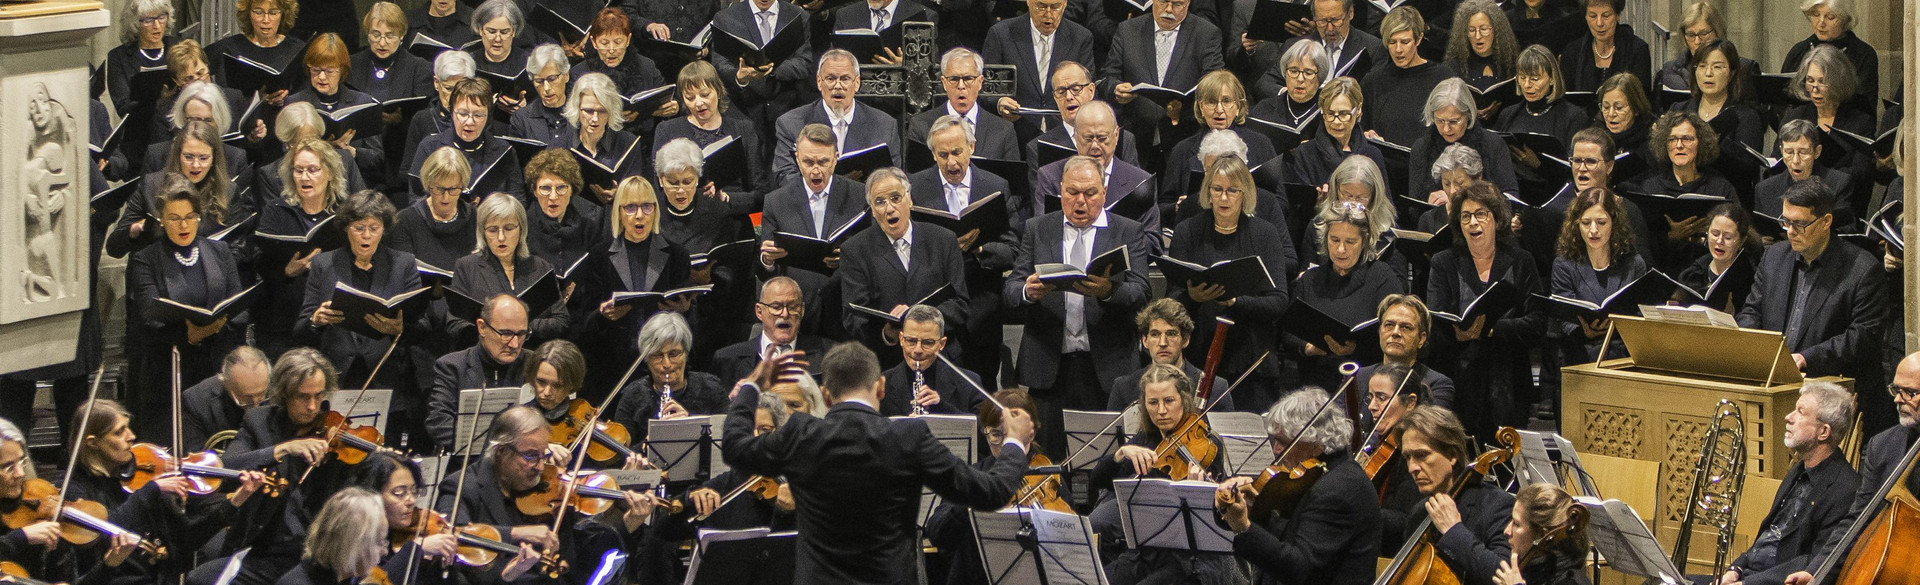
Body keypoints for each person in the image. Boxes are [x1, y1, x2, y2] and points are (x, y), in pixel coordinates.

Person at [720, 343, 1036, 585]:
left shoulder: (799, 433)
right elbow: (991, 492)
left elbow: (734, 447)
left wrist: (752, 385)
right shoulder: (908, 437)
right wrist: (1014, 443)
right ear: (881, 388)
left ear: (826, 396)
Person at [1007, 155, 1152, 454]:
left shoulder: (1128, 230)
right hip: (1049, 367)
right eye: (1072, 192)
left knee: (1106, 459)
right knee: (1048, 459)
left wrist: (1108, 291)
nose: (1080, 201)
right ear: (1060, 190)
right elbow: (1010, 290)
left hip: (1107, 368)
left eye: (1090, 193)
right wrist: (1027, 291)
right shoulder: (1037, 228)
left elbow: (1142, 293)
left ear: (1104, 191)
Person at [435, 404, 655, 585]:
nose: (541, 466)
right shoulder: (462, 486)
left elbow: (582, 547)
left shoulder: (548, 485)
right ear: (501, 452)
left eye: (544, 454)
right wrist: (517, 533)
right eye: (531, 456)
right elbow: (454, 535)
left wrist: (628, 522)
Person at [1736, 180, 1889, 436]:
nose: (1790, 231)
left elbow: (1863, 335)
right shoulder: (1774, 257)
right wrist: (1753, 347)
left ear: (1826, 221)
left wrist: (1806, 358)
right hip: (1776, 391)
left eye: (1800, 224)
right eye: (1786, 222)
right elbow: (1752, 310)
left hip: (1833, 403)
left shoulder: (1862, 269)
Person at [196, 348, 340, 585]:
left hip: (315, 551)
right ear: (284, 394)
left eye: (319, 395)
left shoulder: (333, 432)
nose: (314, 407)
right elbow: (225, 469)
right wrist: (281, 449)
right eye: (304, 397)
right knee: (199, 579)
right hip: (265, 546)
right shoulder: (259, 422)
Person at [1217, 386, 1382, 585]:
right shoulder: (1316, 473)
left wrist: (1244, 526)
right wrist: (1249, 506)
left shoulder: (1339, 490)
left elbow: (1299, 568)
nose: (1276, 450)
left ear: (1316, 445)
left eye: (1283, 442)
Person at [125, 176, 249, 440]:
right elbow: (149, 317)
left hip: (217, 371)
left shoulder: (220, 251)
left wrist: (215, 327)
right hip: (169, 373)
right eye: (174, 218)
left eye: (190, 216)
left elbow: (241, 310)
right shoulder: (145, 259)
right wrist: (188, 336)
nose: (183, 225)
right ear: (160, 219)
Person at [1090, 365, 1235, 584]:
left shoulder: (1207, 442)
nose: (1161, 411)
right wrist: (1120, 454)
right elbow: (1098, 481)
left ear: (1184, 400)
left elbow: (1211, 519)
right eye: (1153, 403)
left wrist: (1195, 492)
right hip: (1146, 552)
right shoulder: (1146, 437)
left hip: (1188, 558)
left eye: (1169, 401)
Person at [1167, 154, 1292, 409]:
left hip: (1252, 359)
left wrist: (1236, 301)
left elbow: (1279, 302)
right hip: (1199, 356)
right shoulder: (1187, 231)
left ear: (1245, 192)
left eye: (1232, 190)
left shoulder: (1265, 233)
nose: (1224, 198)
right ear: (1208, 191)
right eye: (1217, 189)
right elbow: (1171, 300)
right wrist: (1192, 297)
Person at [1787, 352, 1920, 585]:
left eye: (1910, 393)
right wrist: (1818, 570)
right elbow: (1858, 517)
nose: (1898, 399)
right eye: (1896, 389)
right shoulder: (1882, 446)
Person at [1708, 383, 1859, 585]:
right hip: (1749, 576)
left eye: (1800, 412)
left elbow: (1811, 562)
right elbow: (1768, 536)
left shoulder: (1845, 489)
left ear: (1823, 432)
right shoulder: (1798, 469)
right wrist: (1735, 568)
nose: (1789, 417)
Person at [1426, 181, 1542, 440]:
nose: (1473, 223)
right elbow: (1434, 323)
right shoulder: (1443, 262)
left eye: (1481, 214)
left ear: (1497, 220)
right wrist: (1459, 332)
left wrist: (1492, 329)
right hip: (1458, 381)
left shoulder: (1521, 260)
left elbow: (1537, 322)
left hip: (1510, 380)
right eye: (1465, 216)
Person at [909, 115, 1017, 381]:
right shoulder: (916, 187)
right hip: (934, 308)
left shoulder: (995, 186)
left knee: (983, 391)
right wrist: (947, 248)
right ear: (933, 154)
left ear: (972, 146)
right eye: (943, 154)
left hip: (982, 311)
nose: (951, 162)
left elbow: (1013, 247)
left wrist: (978, 250)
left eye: (957, 152)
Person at [295, 188, 425, 401]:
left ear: (384, 229)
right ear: (346, 227)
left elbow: (422, 327)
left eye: (374, 228)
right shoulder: (323, 264)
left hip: (386, 377)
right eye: (359, 228)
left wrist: (399, 329)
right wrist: (316, 320)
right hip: (337, 377)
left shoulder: (403, 264)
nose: (366, 235)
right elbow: (300, 331)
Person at [839, 168, 969, 363]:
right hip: (887, 361)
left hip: (941, 357)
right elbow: (853, 317)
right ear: (873, 211)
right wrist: (888, 333)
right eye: (880, 202)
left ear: (909, 199)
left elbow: (961, 304)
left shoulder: (943, 239)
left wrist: (921, 322)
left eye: (895, 198)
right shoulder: (855, 250)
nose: (889, 208)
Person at [1386, 405, 1513, 581]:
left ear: (1452, 455)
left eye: (1422, 455)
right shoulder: (1420, 512)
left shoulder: (1496, 505)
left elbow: (1503, 575)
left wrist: (1453, 530)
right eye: (1408, 457)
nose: (1412, 468)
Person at [1291, 202, 1405, 388]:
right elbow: (1289, 331)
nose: (1341, 249)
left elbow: (1398, 334)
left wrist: (1356, 348)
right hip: (1314, 382)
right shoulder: (1310, 278)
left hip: (1367, 381)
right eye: (1334, 240)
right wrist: (1306, 347)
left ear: (1365, 241)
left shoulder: (1381, 276)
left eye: (1350, 242)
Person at [1103, 0, 1225, 171]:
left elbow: (1214, 81)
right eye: (1163, 2)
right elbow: (1109, 76)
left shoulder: (1206, 33)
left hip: (1184, 137)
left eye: (1177, 4)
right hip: (1137, 137)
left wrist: (1186, 106)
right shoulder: (1127, 30)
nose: (1168, 9)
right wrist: (1116, 88)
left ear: (1188, 3)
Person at [108, 120, 251, 262]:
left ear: (213, 159)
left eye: (203, 158)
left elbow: (237, 249)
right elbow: (113, 248)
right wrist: (134, 231)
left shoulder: (228, 191)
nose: (196, 165)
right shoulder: (151, 185)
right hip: (156, 271)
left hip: (206, 274)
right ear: (178, 155)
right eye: (188, 157)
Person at [702, 0, 813, 171]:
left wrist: (770, 68)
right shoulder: (726, 18)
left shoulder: (798, 16)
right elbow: (719, 64)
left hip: (787, 106)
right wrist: (740, 76)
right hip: (743, 109)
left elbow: (804, 62)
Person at [1031, 101, 1161, 246]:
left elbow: (1152, 241)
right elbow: (1042, 234)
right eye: (1088, 138)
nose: (1094, 146)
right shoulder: (1051, 176)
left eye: (1101, 138)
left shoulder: (1140, 182)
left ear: (1116, 135)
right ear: (1076, 136)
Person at [651, 61, 769, 210]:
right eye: (690, 98)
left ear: (718, 91)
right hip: (686, 218)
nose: (698, 103)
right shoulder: (667, 130)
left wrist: (727, 198)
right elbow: (658, 188)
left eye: (705, 95)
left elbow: (761, 193)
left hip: (731, 219)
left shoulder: (743, 128)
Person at [451, 193, 568, 343]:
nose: (501, 237)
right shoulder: (466, 267)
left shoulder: (541, 267)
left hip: (531, 358)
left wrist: (520, 329)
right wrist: (496, 333)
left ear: (521, 229)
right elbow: (455, 324)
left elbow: (561, 320)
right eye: (493, 230)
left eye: (509, 228)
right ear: (482, 232)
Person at [771, 50, 900, 184]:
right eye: (831, 79)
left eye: (845, 79)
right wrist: (831, 185)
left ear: (857, 83)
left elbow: (894, 180)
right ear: (819, 82)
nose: (837, 86)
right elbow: (784, 177)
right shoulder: (791, 124)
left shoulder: (884, 125)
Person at [1550, 187, 1646, 363]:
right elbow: (1562, 315)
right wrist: (1582, 331)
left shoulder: (1633, 263)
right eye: (1586, 223)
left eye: (1601, 222)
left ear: (1614, 223)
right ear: (1576, 224)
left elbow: (1640, 315)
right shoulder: (1564, 264)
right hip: (1578, 353)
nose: (1593, 230)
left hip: (1622, 354)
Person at [674, 393, 795, 531]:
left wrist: (787, 513)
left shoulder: (795, 482)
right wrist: (688, 499)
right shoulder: (722, 487)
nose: (755, 436)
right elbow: (664, 531)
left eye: (765, 430)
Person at [426, 294, 530, 450]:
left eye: (521, 334)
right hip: (466, 466)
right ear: (482, 327)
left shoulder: (535, 365)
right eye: (506, 334)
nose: (514, 344)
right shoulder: (452, 366)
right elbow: (438, 422)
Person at [984, 0, 1096, 141]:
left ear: (1065, 4)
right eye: (1041, 6)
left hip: (1064, 137)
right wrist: (999, 102)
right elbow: (985, 89)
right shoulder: (1001, 34)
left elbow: (1088, 90)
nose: (1048, 14)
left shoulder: (1081, 37)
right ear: (1029, 2)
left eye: (1055, 7)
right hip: (1015, 135)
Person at [351, 2, 434, 191]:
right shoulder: (352, 64)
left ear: (402, 35)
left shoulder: (418, 67)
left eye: (390, 35)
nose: (382, 42)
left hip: (399, 156)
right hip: (359, 163)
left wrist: (401, 119)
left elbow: (424, 118)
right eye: (376, 34)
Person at [1020, 61, 1144, 188]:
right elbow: (1041, 203)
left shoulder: (1124, 140)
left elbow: (1134, 189)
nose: (1069, 97)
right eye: (1061, 91)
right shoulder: (1037, 148)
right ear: (1055, 97)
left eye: (1076, 89)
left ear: (1091, 90)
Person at [287, 33, 385, 186]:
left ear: (342, 70)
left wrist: (351, 152)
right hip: (306, 184)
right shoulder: (295, 103)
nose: (321, 77)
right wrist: (323, 147)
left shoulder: (363, 102)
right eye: (315, 70)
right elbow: (285, 154)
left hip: (352, 185)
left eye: (329, 71)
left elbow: (377, 158)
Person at [1408, 78, 1521, 211]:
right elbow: (1413, 207)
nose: (1446, 129)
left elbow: (1510, 197)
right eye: (1440, 121)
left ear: (1468, 115)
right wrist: (1429, 201)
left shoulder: (1492, 144)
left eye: (1453, 121)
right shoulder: (1422, 148)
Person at [406, 78, 525, 199]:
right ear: (452, 112)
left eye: (478, 115)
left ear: (488, 116)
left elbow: (517, 200)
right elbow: (416, 199)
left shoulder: (504, 151)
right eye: (463, 114)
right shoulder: (429, 147)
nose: (470, 121)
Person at [612, 313, 728, 435]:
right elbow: (622, 450)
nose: (666, 364)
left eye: (673, 354)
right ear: (646, 359)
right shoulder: (632, 396)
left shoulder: (712, 390)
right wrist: (649, 443)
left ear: (686, 354)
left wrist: (690, 425)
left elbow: (727, 442)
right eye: (657, 355)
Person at [1243, 0, 1385, 98]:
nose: (1329, 28)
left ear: (1351, 13)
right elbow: (1264, 84)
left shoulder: (1373, 48)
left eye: (1335, 20)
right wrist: (1291, 93)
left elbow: (1374, 95)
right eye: (1322, 21)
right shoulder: (1295, 45)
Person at [1107, 298, 1231, 410]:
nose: (1163, 343)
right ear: (1145, 341)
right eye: (1155, 334)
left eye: (1171, 334)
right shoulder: (1123, 388)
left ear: (1186, 340)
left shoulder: (1217, 388)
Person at [1493, 45, 1589, 189]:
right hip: (1513, 192)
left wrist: (1539, 165)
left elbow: (1577, 170)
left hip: (1555, 193)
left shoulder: (1573, 116)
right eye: (1522, 77)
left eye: (1535, 79)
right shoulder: (1508, 114)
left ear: (1551, 79)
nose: (1527, 85)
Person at [1359, 7, 1455, 148]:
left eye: (1405, 42)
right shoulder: (1372, 82)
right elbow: (1361, 127)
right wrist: (1367, 135)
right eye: (1392, 42)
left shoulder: (1443, 77)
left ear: (1418, 39)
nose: (1398, 49)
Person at [706, 277, 833, 383]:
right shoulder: (728, 359)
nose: (785, 314)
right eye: (776, 307)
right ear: (759, 311)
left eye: (793, 307)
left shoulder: (829, 355)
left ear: (802, 310)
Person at [908, 48, 1020, 162]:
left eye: (968, 79)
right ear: (944, 83)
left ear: (980, 82)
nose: (961, 86)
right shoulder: (921, 126)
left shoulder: (1004, 130)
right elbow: (916, 177)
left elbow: (1011, 177)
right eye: (954, 79)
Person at [1282, 77, 1386, 198]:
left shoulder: (1373, 154)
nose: (1336, 122)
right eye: (1330, 114)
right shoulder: (1305, 154)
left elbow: (1385, 207)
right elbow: (1297, 208)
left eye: (1343, 114)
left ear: (1358, 110)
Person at [1363, 361, 1428, 552]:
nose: (1372, 407)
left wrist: (1357, 511)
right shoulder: (1377, 441)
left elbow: (1406, 520)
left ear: (1410, 403)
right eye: (1371, 397)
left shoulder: (1419, 451)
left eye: (1381, 398)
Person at [876, 305, 986, 417]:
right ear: (901, 339)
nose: (917, 350)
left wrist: (942, 408)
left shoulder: (969, 383)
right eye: (911, 341)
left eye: (927, 342)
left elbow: (986, 428)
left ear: (941, 344)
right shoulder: (881, 384)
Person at [570, 9, 672, 124]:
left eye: (618, 42)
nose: (612, 50)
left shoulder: (646, 66)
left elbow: (665, 97)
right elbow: (571, 116)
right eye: (604, 43)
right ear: (594, 42)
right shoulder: (578, 73)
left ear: (628, 40)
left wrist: (672, 107)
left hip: (642, 136)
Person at [1356, 294, 1457, 411]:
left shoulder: (1438, 385)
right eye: (1389, 325)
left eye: (1406, 327)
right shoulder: (1358, 378)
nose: (1395, 332)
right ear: (1379, 332)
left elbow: (1427, 428)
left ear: (1422, 339)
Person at [254, 104, 371, 201]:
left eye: (313, 141)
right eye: (297, 144)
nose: (307, 149)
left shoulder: (344, 159)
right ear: (286, 142)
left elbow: (363, 206)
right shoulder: (269, 175)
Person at [524, 148, 607, 286]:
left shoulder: (589, 227)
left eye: (561, 188)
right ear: (534, 191)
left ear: (572, 190)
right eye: (545, 188)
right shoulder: (523, 228)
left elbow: (597, 280)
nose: (553, 196)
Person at [1778, 0, 1878, 114]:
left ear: (1845, 20)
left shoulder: (1863, 54)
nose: (1821, 23)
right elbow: (1781, 101)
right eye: (1816, 15)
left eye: (1830, 17)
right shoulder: (1799, 51)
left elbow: (1866, 109)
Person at [206, 0, 307, 109]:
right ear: (248, 14)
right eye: (259, 12)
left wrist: (287, 98)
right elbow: (195, 66)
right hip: (239, 119)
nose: (266, 20)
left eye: (273, 13)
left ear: (283, 15)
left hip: (287, 118)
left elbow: (308, 92)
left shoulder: (297, 48)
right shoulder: (228, 48)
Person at [388, 147, 474, 274]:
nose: (446, 197)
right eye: (439, 189)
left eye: (453, 189)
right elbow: (402, 274)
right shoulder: (405, 221)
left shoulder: (475, 218)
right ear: (428, 184)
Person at [1671, 40, 1765, 157]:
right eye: (1702, 66)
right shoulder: (1679, 110)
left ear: (1731, 74)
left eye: (1717, 67)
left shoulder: (1746, 117)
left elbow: (1748, 167)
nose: (1708, 73)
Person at [1757, 121, 1857, 229]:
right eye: (1789, 152)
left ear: (1817, 152)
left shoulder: (1839, 183)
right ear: (1781, 151)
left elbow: (1845, 231)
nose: (1795, 160)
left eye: (1803, 153)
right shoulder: (1764, 189)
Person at [399, 51, 482, 175]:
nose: (455, 95)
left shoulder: (480, 117)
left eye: (461, 88)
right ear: (436, 83)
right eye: (449, 88)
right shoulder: (422, 119)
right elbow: (407, 171)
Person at [1654, 2, 1759, 99]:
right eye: (1691, 35)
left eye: (1703, 34)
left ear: (1718, 32)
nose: (1697, 41)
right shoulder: (1670, 70)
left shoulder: (1744, 69)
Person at [568, 72, 649, 197]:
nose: (595, 118)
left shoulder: (628, 143)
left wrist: (619, 195)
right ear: (577, 108)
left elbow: (635, 192)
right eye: (589, 111)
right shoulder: (563, 144)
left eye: (602, 111)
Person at [1493, 483, 1592, 585]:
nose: (1507, 531)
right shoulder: (1532, 570)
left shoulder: (1570, 581)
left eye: (1516, 524)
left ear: (1542, 535)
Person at [1673, 202, 1759, 314]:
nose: (1719, 241)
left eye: (1728, 237)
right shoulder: (1693, 272)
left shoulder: (1750, 279)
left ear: (1741, 241)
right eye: (1715, 233)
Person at [182, 346, 271, 452]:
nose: (256, 404)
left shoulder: (279, 391)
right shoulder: (196, 400)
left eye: (262, 394)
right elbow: (196, 455)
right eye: (247, 398)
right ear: (225, 383)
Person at [1247, 40, 1325, 155]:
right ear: (1285, 72)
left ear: (1320, 76)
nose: (1300, 79)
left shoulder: (1328, 112)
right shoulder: (1263, 108)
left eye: (1308, 73)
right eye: (1293, 71)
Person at [1558, 0, 1650, 94]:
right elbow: (1565, 99)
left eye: (1606, 16)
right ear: (1585, 17)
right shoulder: (1572, 52)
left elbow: (1641, 101)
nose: (1599, 23)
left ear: (1617, 15)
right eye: (1593, 16)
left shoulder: (1637, 50)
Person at [1443, 0, 1519, 103]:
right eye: (1471, 30)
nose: (1477, 36)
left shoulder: (1511, 63)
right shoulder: (1453, 66)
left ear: (1496, 29)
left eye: (1484, 29)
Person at [466, 0, 529, 114]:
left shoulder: (528, 61)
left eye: (504, 32)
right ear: (480, 30)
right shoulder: (467, 60)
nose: (498, 39)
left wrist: (526, 108)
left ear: (513, 32)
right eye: (491, 31)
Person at [508, 44, 575, 148]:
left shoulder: (583, 113)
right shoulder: (521, 119)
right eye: (539, 81)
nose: (547, 88)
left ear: (566, 75)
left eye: (552, 79)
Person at [827, 0, 931, 64]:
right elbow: (833, 57)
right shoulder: (845, 15)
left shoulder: (922, 15)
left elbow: (931, 66)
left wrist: (906, 66)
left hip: (900, 92)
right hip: (857, 90)